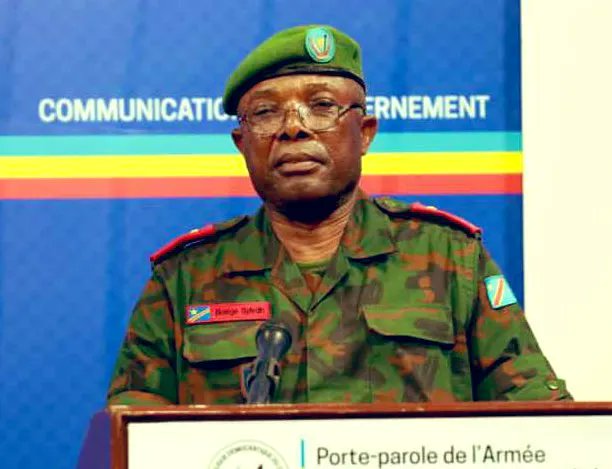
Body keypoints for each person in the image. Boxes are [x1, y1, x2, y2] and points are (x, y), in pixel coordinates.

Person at [107, 25, 571, 405]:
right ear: (241, 144)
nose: (293, 128)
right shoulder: (185, 278)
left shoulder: (450, 259)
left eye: (322, 106)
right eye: (266, 113)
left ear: (364, 133)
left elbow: (541, 419)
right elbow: (128, 436)